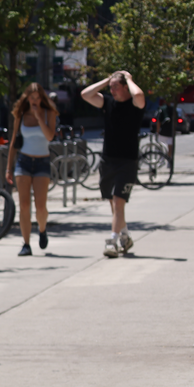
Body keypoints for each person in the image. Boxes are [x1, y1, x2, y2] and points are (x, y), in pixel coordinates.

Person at [81, 70, 145, 258]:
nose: (112, 90)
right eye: (111, 88)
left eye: (116, 87)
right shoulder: (107, 103)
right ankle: (125, 236)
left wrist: (129, 79)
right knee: (114, 204)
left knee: (118, 202)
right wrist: (108, 80)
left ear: (126, 87)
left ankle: (112, 240)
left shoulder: (135, 105)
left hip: (128, 161)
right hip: (108, 160)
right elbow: (85, 94)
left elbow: (139, 95)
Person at [4, 83, 58, 256]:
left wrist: (39, 117)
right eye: (31, 98)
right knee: (24, 205)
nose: (34, 101)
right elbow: (13, 141)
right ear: (27, 98)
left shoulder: (49, 113)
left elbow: (50, 136)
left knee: (40, 207)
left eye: (37, 98)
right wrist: (8, 168)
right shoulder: (20, 114)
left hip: (42, 162)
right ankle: (26, 243)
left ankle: (42, 230)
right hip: (24, 161)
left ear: (42, 98)